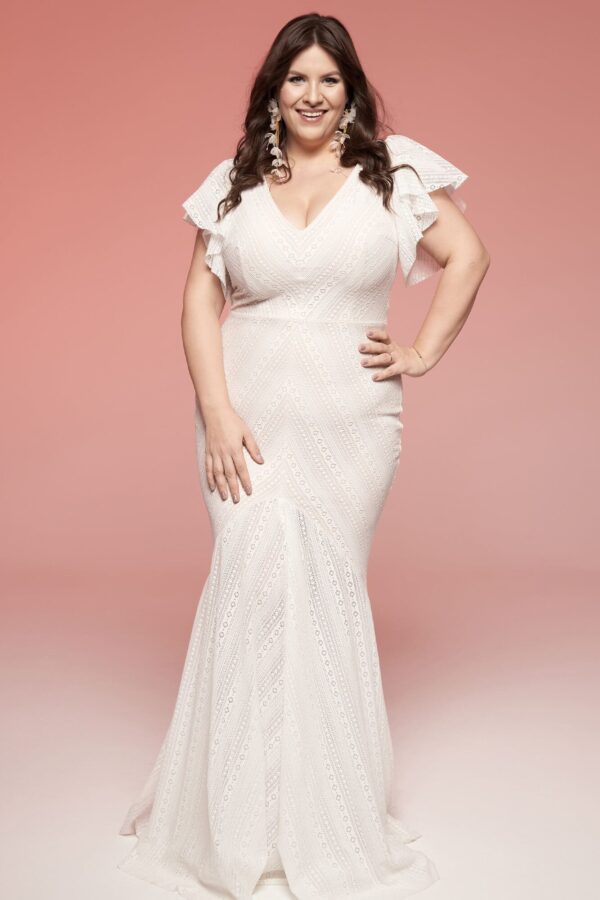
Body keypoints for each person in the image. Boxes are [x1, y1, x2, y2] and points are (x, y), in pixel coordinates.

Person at [117, 12, 490, 900]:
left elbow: (468, 256)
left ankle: (327, 813)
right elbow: (197, 304)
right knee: (250, 588)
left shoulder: (393, 173)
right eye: (297, 79)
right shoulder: (234, 182)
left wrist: (421, 352)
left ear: (350, 91)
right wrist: (217, 410)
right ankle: (240, 817)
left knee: (323, 594)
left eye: (329, 79)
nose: (313, 95)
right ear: (274, 92)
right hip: (246, 420)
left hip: (350, 426)